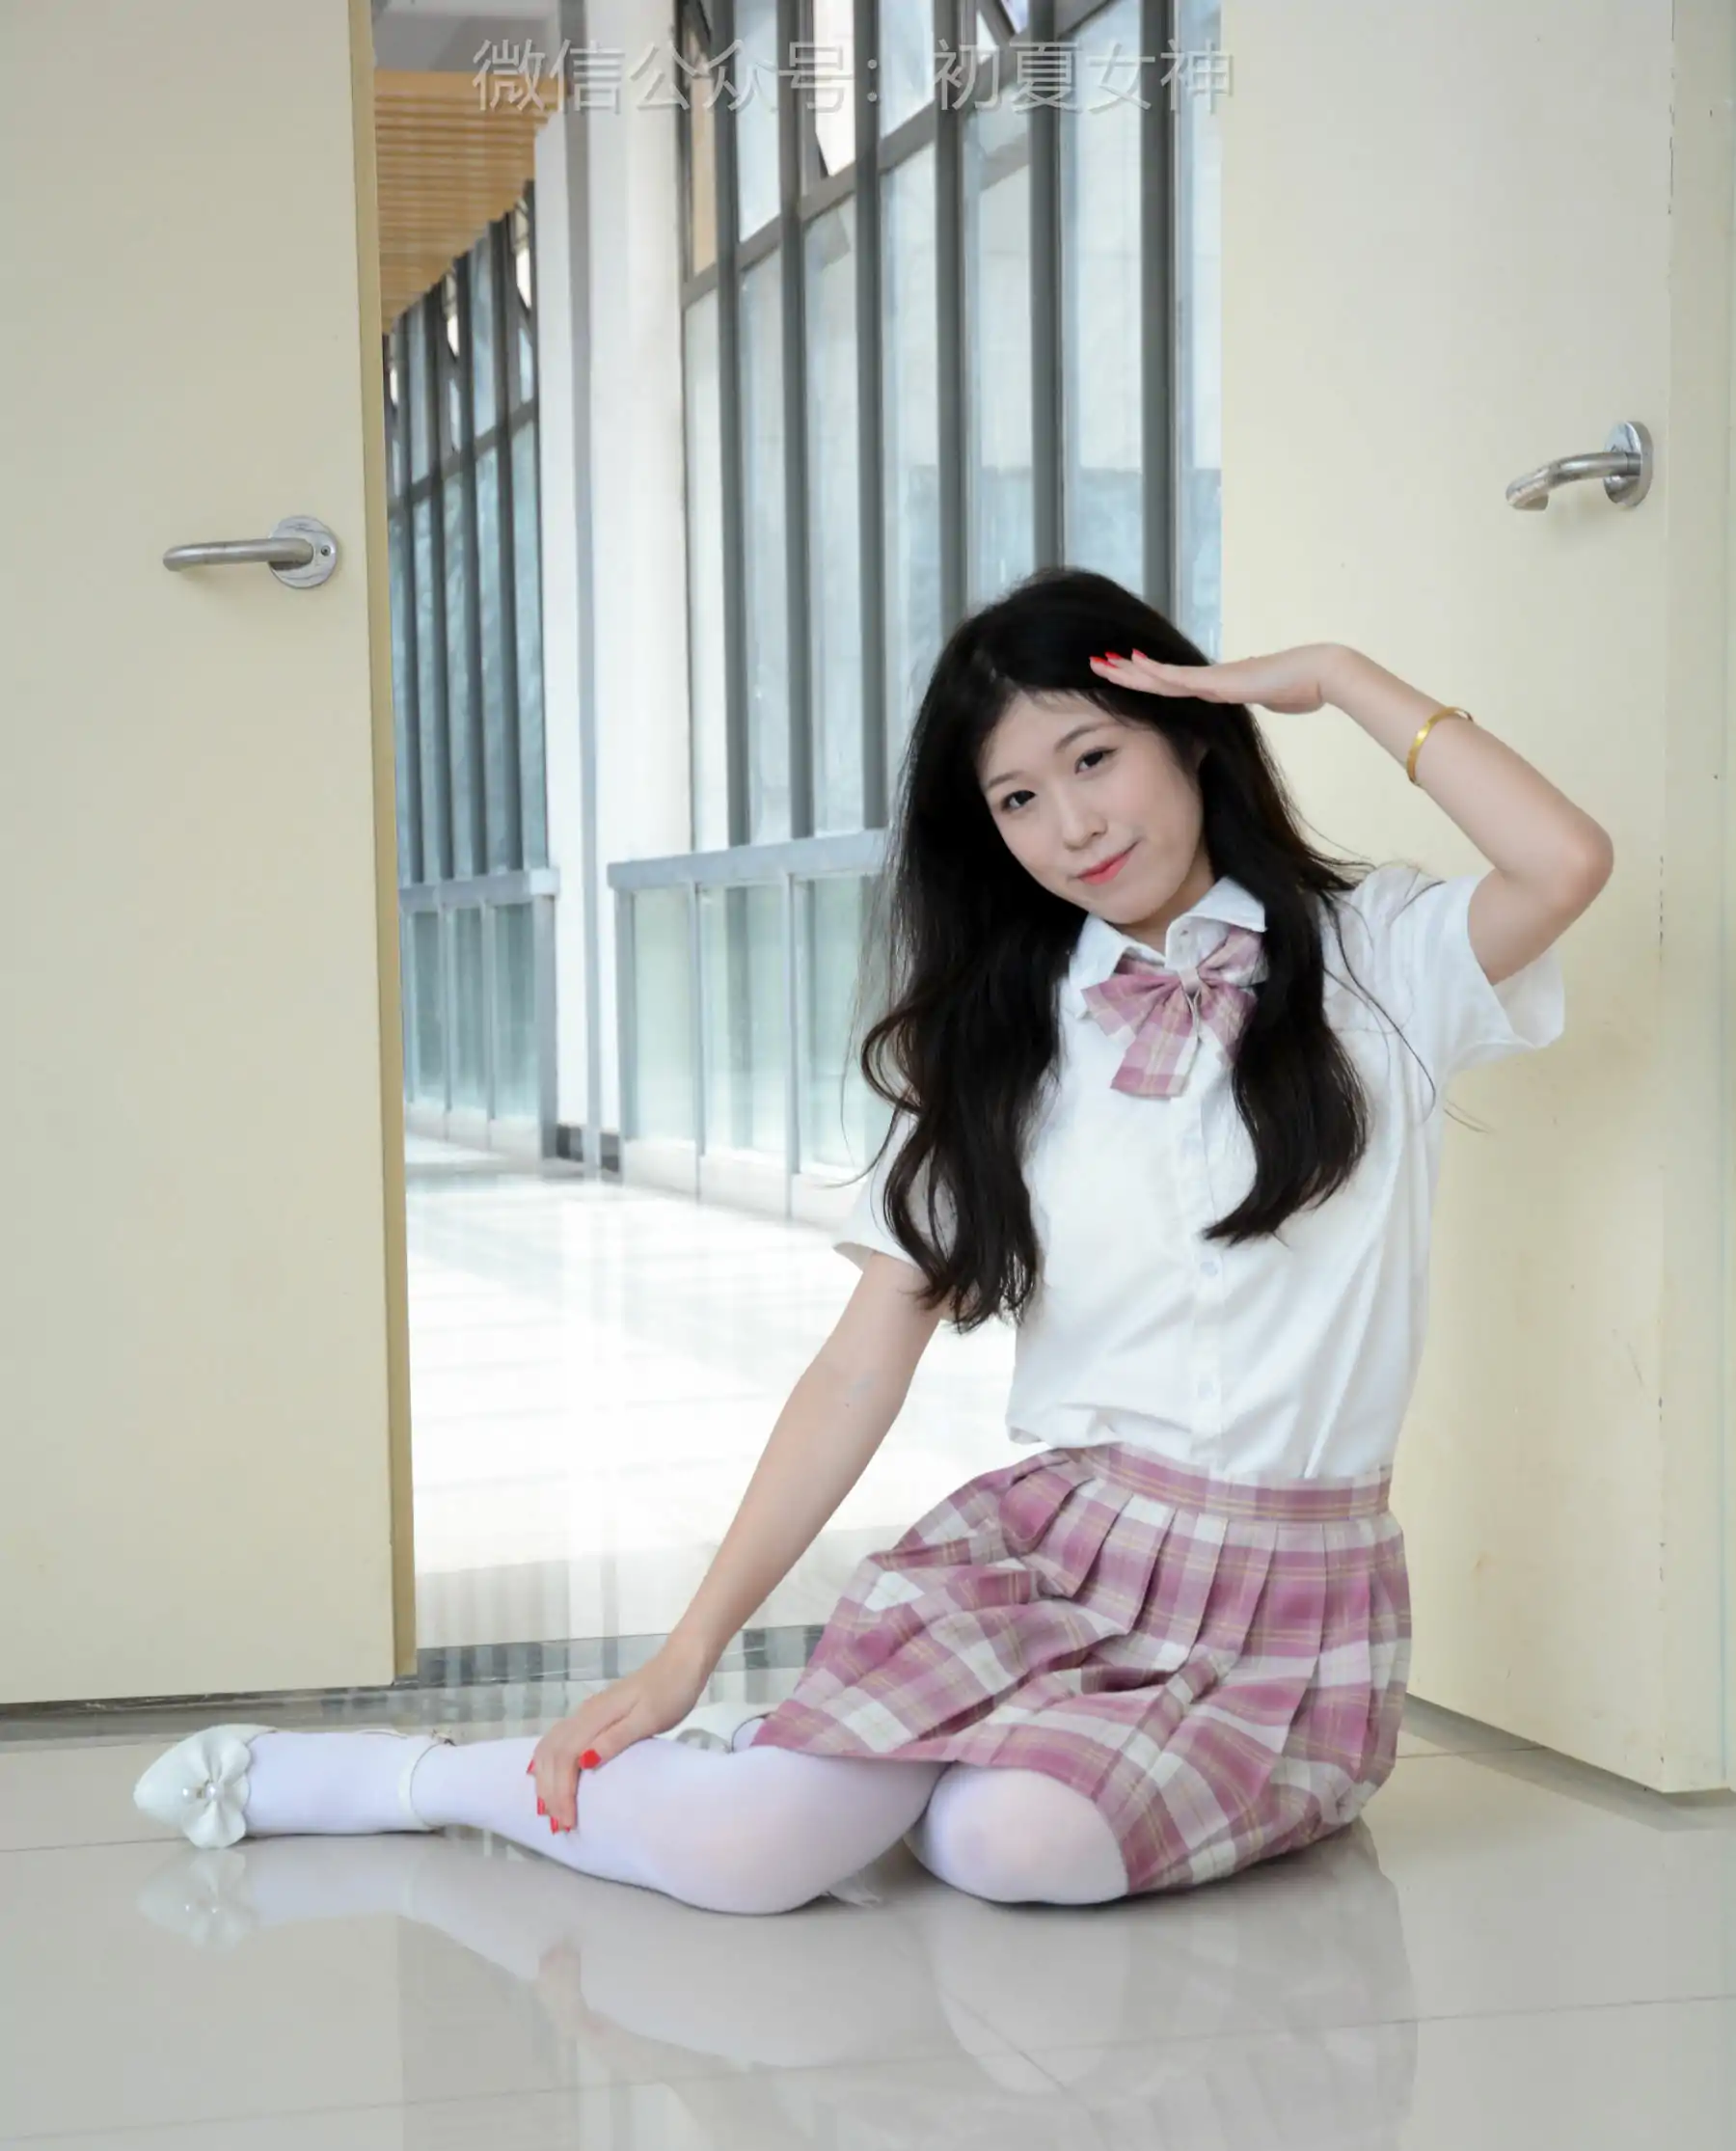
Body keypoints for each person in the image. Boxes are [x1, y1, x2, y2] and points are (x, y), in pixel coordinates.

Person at [133, 567, 1611, 1915]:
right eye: (1017, 799)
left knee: (1010, 1847)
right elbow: (857, 1370)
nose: (1072, 825)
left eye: (1094, 759)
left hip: (1288, 1609)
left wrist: (1338, 677)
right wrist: (687, 1649)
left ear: (1193, 739)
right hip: (1065, 1559)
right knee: (755, 1862)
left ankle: (873, 1767)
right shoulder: (1004, 1053)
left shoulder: (1378, 962)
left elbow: (1565, 861)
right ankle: (408, 1781)